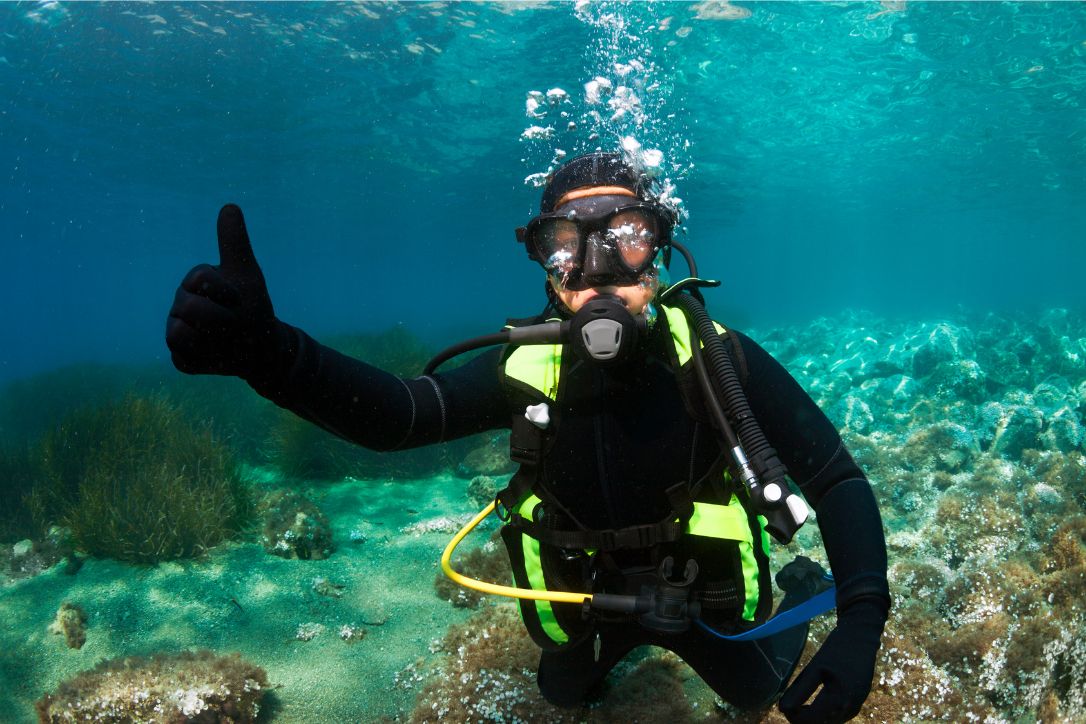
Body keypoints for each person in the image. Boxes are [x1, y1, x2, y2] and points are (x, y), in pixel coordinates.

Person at [166, 152, 890, 722]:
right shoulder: (526, 366)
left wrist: (861, 616)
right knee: (564, 697)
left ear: (661, 250)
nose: (599, 272)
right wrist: (272, 357)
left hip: (704, 596)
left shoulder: (717, 359)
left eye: (627, 239)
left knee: (751, 692)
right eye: (569, 246)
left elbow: (836, 480)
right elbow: (398, 417)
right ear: (544, 262)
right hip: (586, 602)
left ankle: (801, 588)